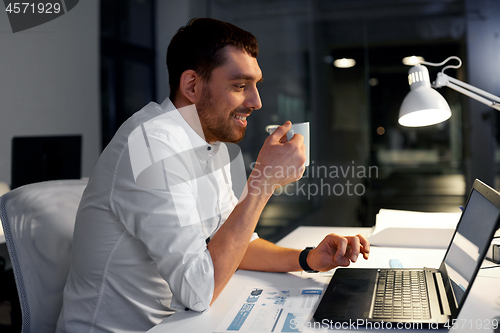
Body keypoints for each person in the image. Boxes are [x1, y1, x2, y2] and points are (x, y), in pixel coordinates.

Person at [56, 18, 370, 332]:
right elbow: (198, 290)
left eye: (256, 85)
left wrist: (307, 259)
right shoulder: (150, 145)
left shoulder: (208, 141)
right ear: (191, 86)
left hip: (176, 323)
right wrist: (262, 182)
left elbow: (233, 243)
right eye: (239, 85)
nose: (256, 102)